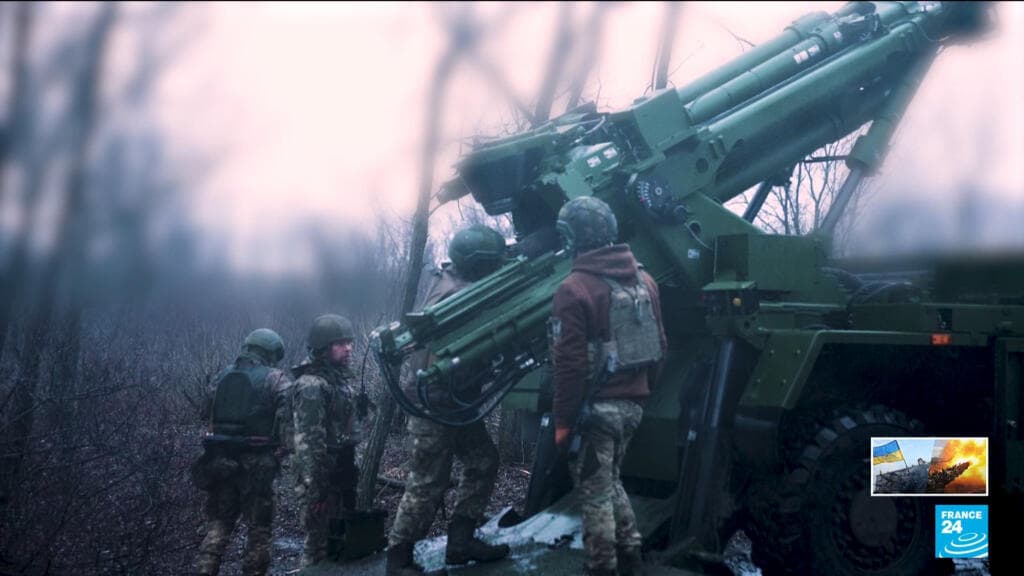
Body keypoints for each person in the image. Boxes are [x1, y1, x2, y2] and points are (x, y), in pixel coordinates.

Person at [549, 196, 666, 576]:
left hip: (594, 413)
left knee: (594, 493)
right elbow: (660, 346)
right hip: (632, 406)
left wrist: (563, 422)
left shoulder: (573, 288)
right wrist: (642, 392)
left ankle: (602, 567)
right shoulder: (646, 281)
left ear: (572, 236)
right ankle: (631, 557)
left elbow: (569, 366)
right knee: (610, 481)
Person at [385, 224, 512, 576]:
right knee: (428, 481)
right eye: (492, 263)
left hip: (454, 402)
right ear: (477, 264)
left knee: (483, 460)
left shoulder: (454, 280)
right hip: (434, 405)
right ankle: (398, 560)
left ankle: (461, 541)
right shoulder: (455, 295)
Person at [192, 328, 294, 576]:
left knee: (218, 526)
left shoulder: (222, 376)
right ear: (271, 352)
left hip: (221, 462)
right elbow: (289, 418)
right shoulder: (276, 379)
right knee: (258, 531)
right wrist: (284, 449)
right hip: (258, 464)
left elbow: (205, 412)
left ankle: (204, 571)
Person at [291, 314, 360, 568]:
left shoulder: (339, 381)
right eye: (340, 343)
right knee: (318, 548)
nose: (348, 348)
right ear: (322, 348)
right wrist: (317, 491)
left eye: (349, 342)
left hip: (340, 473)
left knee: (338, 544)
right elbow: (309, 444)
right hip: (320, 479)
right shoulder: (311, 385)